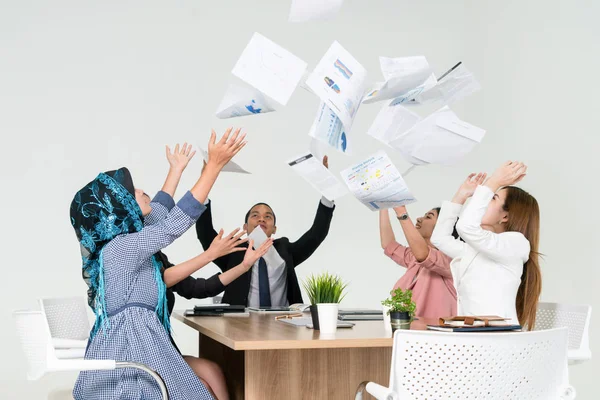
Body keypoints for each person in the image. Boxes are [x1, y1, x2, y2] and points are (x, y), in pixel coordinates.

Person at [70, 129, 271, 400]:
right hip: (132, 365)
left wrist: (176, 170)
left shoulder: (128, 241)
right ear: (119, 209)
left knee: (209, 379)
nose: (142, 191)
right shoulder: (120, 249)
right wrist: (213, 167)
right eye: (133, 191)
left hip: (145, 353)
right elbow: (173, 225)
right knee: (202, 391)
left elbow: (161, 213)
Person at [195, 156, 335, 307]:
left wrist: (326, 187)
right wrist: (205, 181)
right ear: (245, 227)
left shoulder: (285, 249)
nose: (261, 219)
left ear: (274, 229)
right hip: (239, 324)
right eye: (255, 215)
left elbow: (316, 235)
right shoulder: (233, 251)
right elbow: (205, 233)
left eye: (267, 217)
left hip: (283, 324)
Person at [431, 163, 542, 329]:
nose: (483, 200)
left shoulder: (516, 244)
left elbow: (466, 227)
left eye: (492, 198)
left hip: (496, 339)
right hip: (476, 336)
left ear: (505, 216)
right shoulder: (481, 250)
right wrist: (461, 195)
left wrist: (494, 182)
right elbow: (440, 239)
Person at [379, 205, 458, 317]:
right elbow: (388, 245)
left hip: (437, 332)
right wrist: (383, 206)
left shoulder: (450, 259)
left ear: (443, 227)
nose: (419, 219)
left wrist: (402, 213)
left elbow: (423, 254)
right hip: (411, 329)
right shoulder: (414, 258)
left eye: (428, 217)